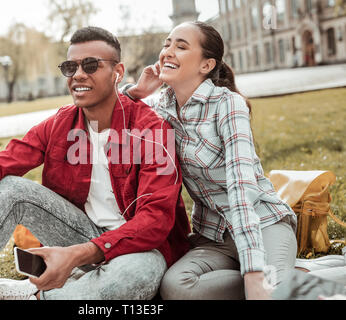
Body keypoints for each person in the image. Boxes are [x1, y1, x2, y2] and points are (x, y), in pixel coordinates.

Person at [0, 26, 191, 300]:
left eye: (91, 65)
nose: (78, 74)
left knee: (141, 271)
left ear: (118, 72)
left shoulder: (152, 130)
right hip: (79, 234)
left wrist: (77, 255)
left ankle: (36, 294)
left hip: (138, 248)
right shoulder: (59, 124)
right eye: (70, 67)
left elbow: (155, 221)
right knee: (11, 189)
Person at [122, 21, 298, 300]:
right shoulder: (160, 108)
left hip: (261, 223)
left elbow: (242, 188)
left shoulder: (227, 104)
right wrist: (137, 92)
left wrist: (253, 270)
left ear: (206, 65)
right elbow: (113, 121)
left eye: (181, 46)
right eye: (167, 44)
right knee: (175, 287)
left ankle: (287, 278)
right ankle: (288, 278)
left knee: (270, 292)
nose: (167, 51)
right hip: (214, 237)